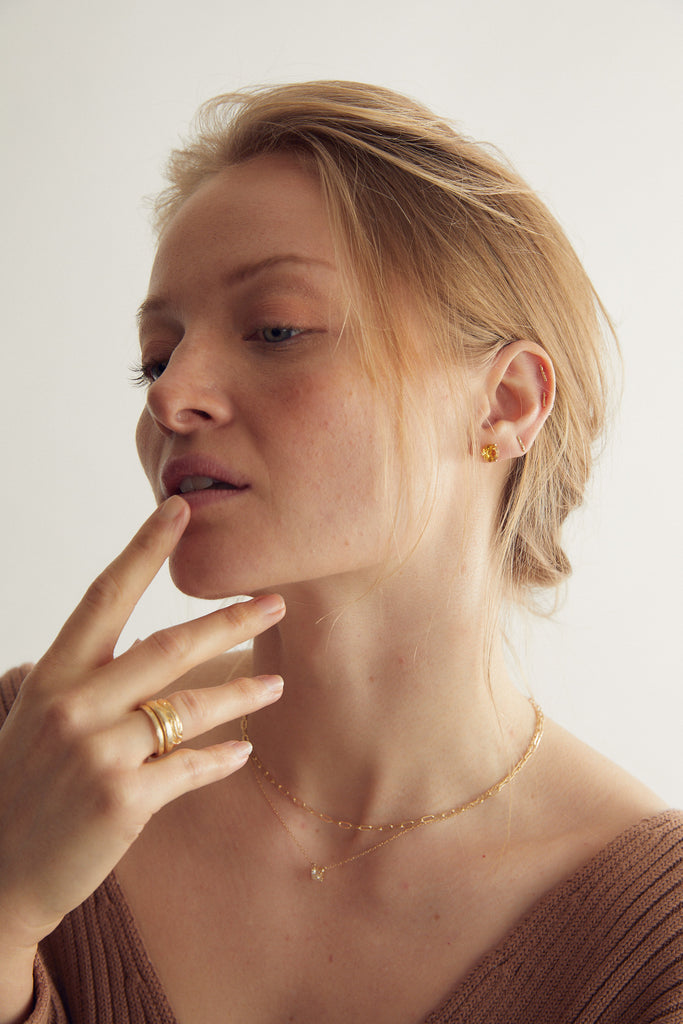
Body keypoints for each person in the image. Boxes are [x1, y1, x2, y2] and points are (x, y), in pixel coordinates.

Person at [0, 81, 680, 1024]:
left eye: (277, 329)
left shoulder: (649, 949)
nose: (171, 397)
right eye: (156, 355)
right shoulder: (27, 761)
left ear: (507, 403)